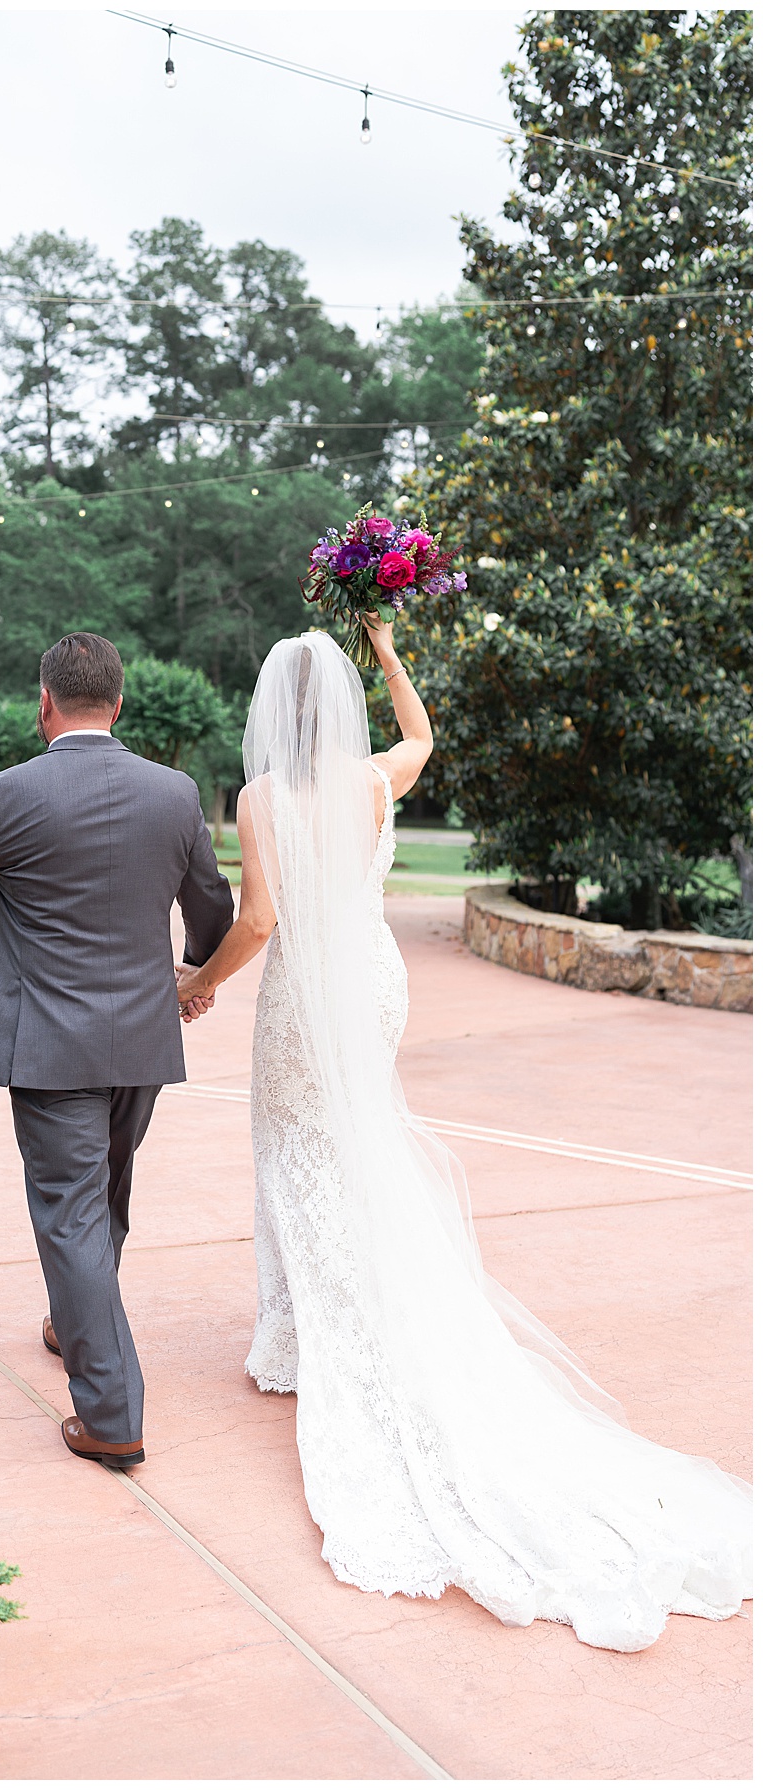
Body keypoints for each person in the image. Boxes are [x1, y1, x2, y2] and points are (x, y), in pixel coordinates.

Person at [175, 619, 751, 1652]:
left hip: (308, 993)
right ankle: (328, 1318)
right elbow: (424, 738)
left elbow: (258, 921)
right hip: (375, 979)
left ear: (274, 715)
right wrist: (390, 646)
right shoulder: (371, 779)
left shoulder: (265, 800)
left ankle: (307, 1335)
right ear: (342, 702)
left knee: (299, 1151)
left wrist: (200, 981)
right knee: (360, 1147)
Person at [0, 633, 234, 1470]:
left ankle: (112, 1414)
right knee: (105, 1193)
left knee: (74, 1214)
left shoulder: (8, 793)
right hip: (144, 1039)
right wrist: (190, 975)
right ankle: (74, 1319)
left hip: (49, 1046)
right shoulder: (175, 792)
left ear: (45, 703)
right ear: (117, 704)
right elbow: (213, 910)